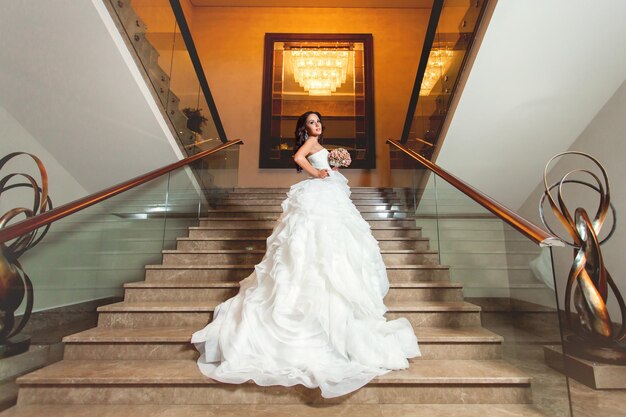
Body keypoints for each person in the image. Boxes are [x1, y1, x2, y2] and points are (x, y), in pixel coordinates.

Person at [191, 111, 420, 398]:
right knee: (310, 240)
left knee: (335, 243)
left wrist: (333, 167)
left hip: (330, 193)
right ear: (305, 128)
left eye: (319, 122)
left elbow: (319, 164)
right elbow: (298, 159)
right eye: (312, 122)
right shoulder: (311, 143)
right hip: (319, 194)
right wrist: (319, 173)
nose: (317, 125)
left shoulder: (321, 145)